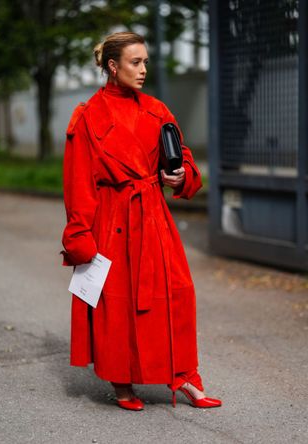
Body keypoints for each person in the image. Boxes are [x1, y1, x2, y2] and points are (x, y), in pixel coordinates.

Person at [61, 31, 222, 411]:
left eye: (146, 61)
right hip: (113, 218)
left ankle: (185, 376)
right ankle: (122, 380)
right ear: (112, 67)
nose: (144, 69)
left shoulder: (157, 110)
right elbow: (78, 182)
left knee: (178, 292)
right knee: (118, 301)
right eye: (136, 62)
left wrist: (181, 175)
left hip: (154, 217)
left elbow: (182, 158)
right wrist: (80, 233)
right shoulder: (88, 117)